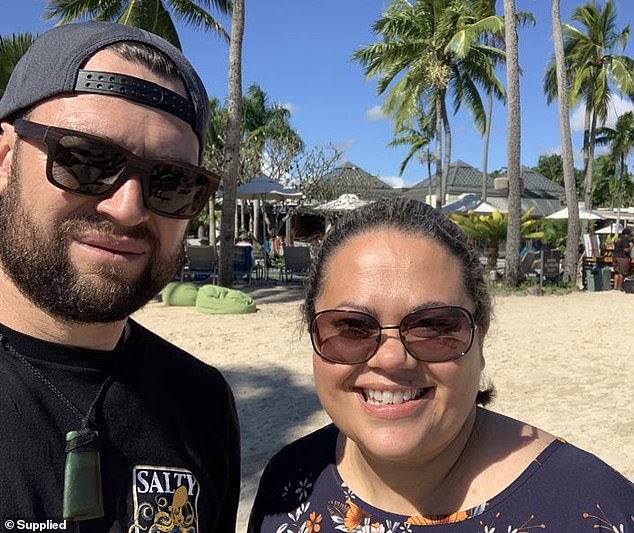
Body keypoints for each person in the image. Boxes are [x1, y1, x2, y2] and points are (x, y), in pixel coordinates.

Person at [248, 198, 634, 532]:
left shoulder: (591, 511)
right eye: (351, 327)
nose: (391, 357)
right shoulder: (289, 483)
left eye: (433, 326)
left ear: (479, 339)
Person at [0, 22, 240, 531]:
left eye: (171, 182)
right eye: (87, 159)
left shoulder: (202, 403)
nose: (128, 208)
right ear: (4, 159)